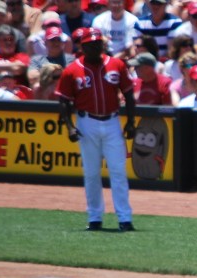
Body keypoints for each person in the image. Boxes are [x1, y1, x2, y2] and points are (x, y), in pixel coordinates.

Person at [57, 28, 137, 232]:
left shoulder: (116, 64)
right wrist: (70, 127)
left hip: (112, 121)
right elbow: (63, 102)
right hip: (87, 122)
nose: (95, 46)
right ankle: (94, 217)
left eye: (98, 43)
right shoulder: (71, 70)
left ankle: (125, 218)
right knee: (91, 173)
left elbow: (129, 94)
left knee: (118, 171)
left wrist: (130, 122)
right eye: (90, 44)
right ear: (82, 47)